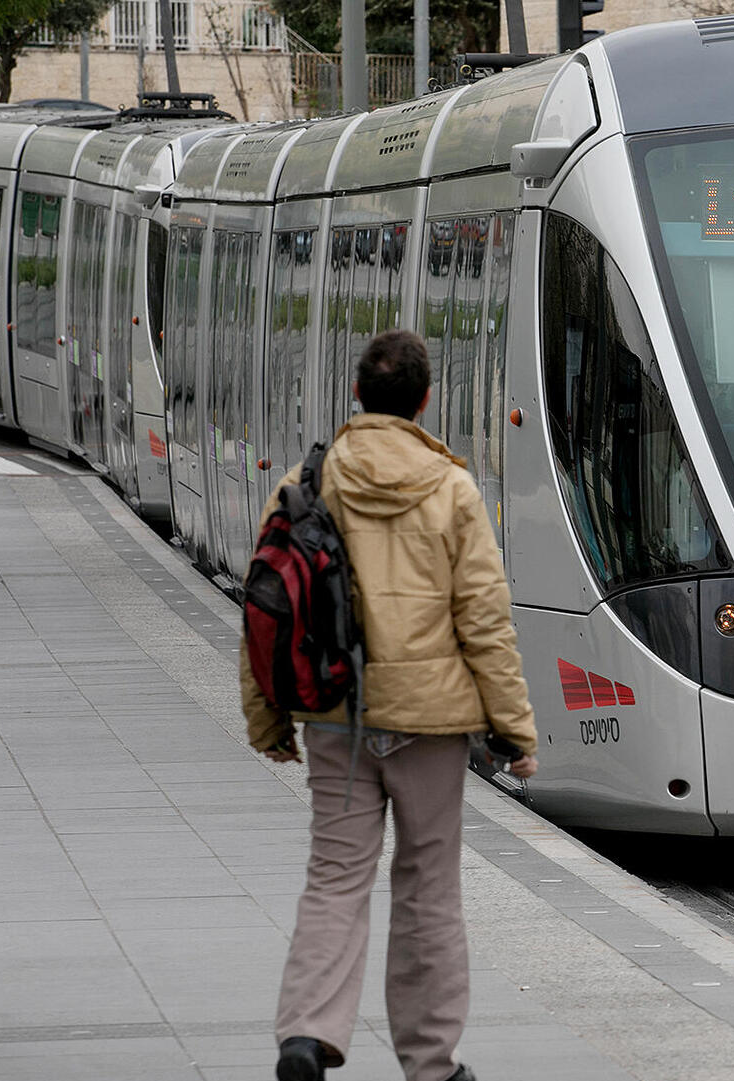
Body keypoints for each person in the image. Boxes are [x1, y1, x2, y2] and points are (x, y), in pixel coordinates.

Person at [241, 329, 539, 1081]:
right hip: (432, 725)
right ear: (426, 400)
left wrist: (269, 719)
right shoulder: (451, 489)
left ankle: (306, 1035)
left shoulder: (312, 481)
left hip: (339, 715)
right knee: (429, 885)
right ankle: (432, 1063)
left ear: (357, 397)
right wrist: (514, 729)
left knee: (336, 875)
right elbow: (485, 620)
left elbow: (267, 606)